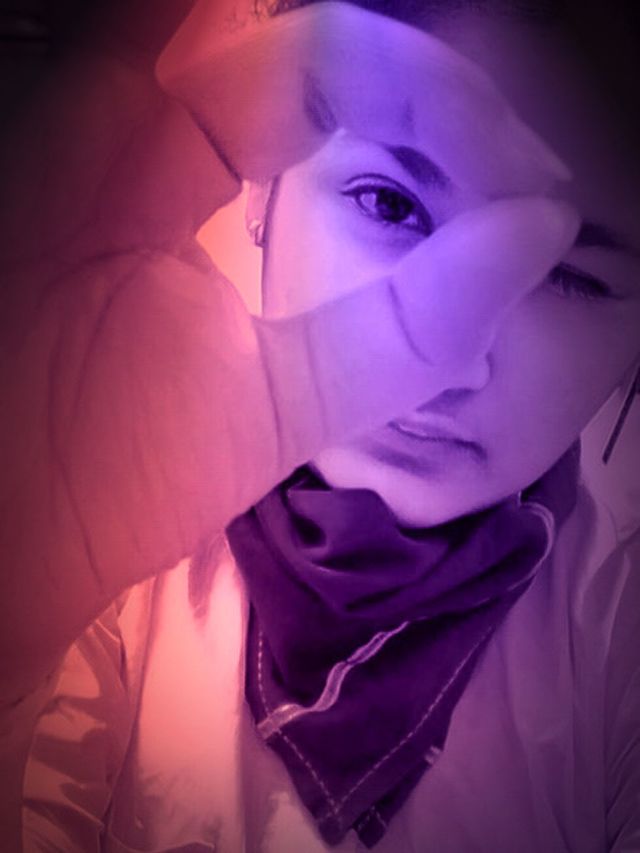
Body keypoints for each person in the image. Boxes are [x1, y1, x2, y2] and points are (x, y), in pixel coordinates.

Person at [1, 0, 638, 850]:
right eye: (391, 204)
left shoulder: (620, 634)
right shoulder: (121, 554)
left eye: (570, 277)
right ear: (264, 191)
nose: (451, 360)